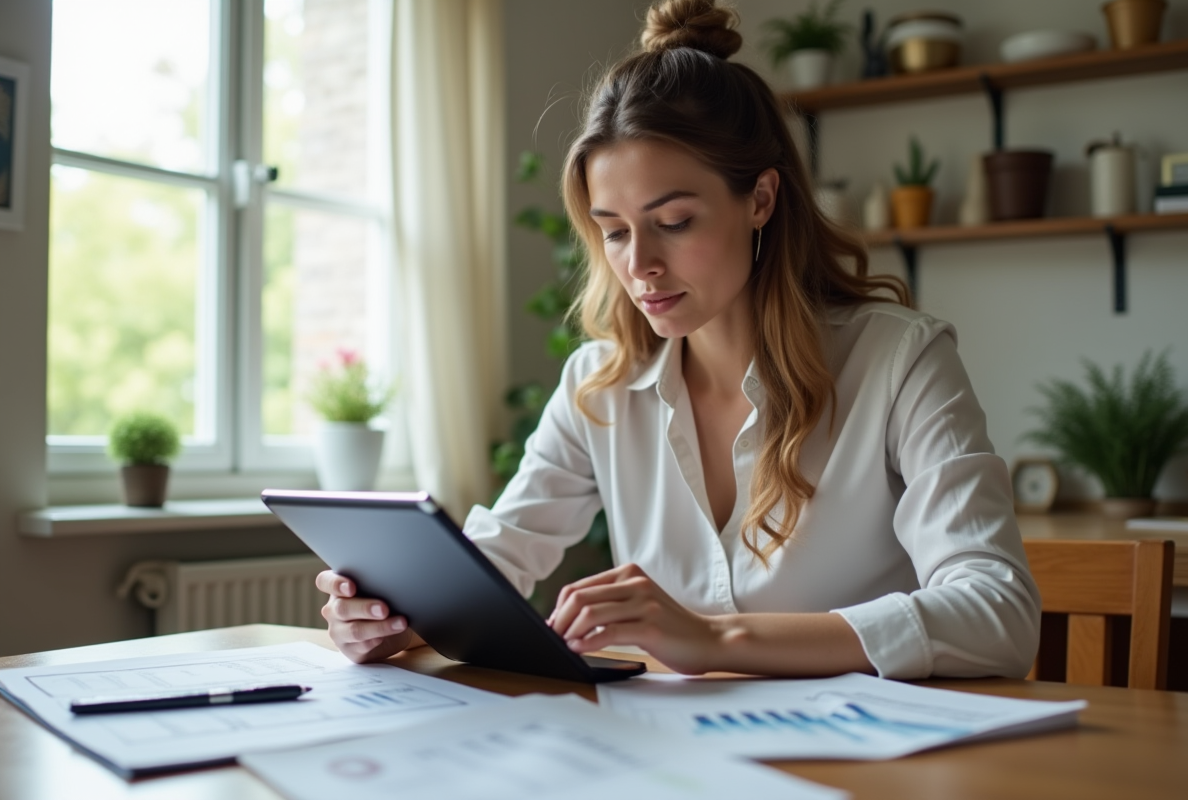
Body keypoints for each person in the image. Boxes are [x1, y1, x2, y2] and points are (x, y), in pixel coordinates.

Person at [316, 0, 1041, 680]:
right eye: (615, 231)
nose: (640, 266)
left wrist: (717, 637)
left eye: (675, 220)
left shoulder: (899, 361)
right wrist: (388, 618)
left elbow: (998, 613)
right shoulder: (599, 386)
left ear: (760, 199)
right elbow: (499, 558)